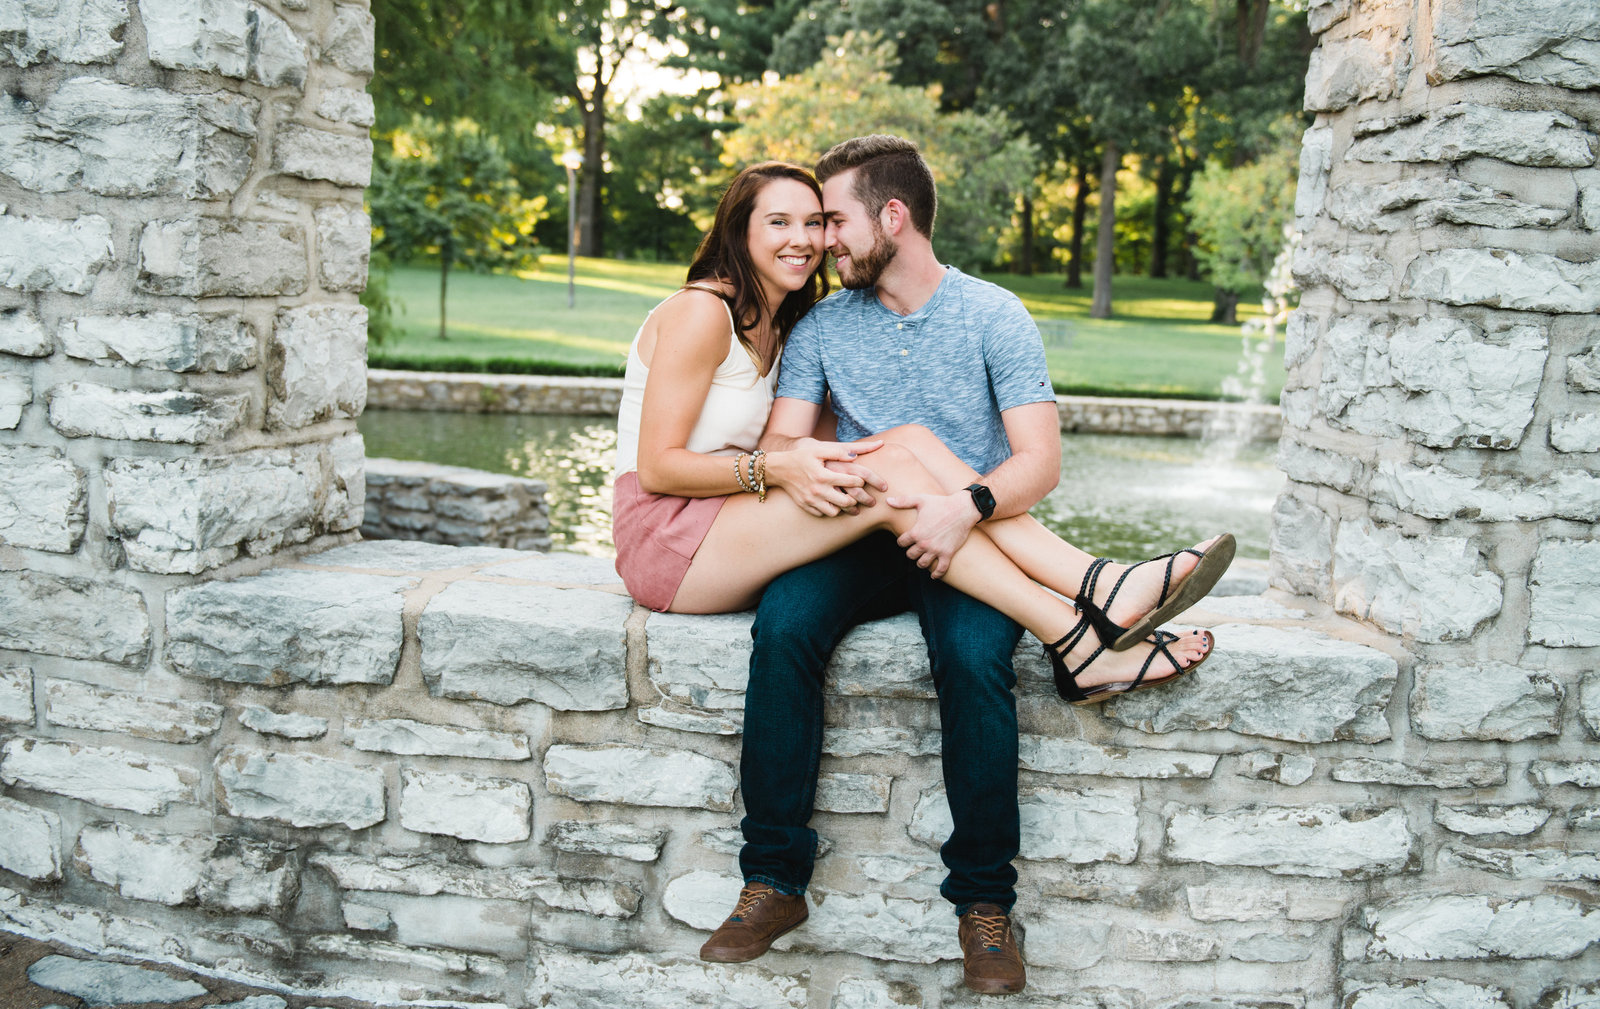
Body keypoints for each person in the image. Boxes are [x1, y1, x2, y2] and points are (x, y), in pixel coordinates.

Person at [611, 149, 1233, 995]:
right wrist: (844, 471)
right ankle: (772, 879)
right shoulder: (820, 325)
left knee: (976, 659)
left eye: (831, 220)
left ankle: (983, 905)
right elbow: (782, 445)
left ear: (891, 218)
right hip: (858, 528)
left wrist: (963, 506)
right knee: (786, 625)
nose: (821, 241)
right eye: (797, 223)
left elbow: (1039, 464)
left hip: (975, 536)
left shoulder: (993, 314)